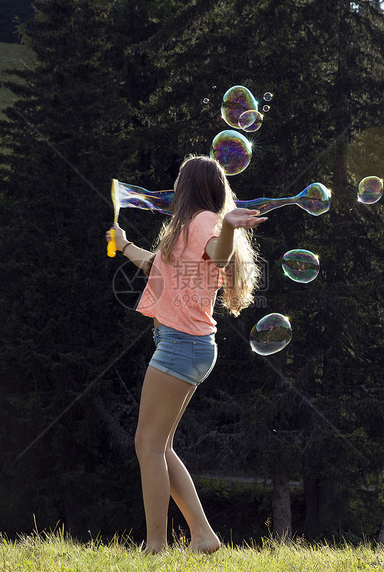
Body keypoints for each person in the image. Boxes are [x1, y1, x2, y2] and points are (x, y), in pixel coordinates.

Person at [106, 155, 266, 554]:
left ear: (189, 186)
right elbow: (157, 267)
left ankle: (156, 546)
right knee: (159, 446)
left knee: (147, 444)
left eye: (180, 181)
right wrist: (123, 245)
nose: (175, 187)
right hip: (187, 345)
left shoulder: (203, 224)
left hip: (181, 345)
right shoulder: (187, 228)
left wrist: (228, 226)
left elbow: (219, 254)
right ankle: (203, 535)